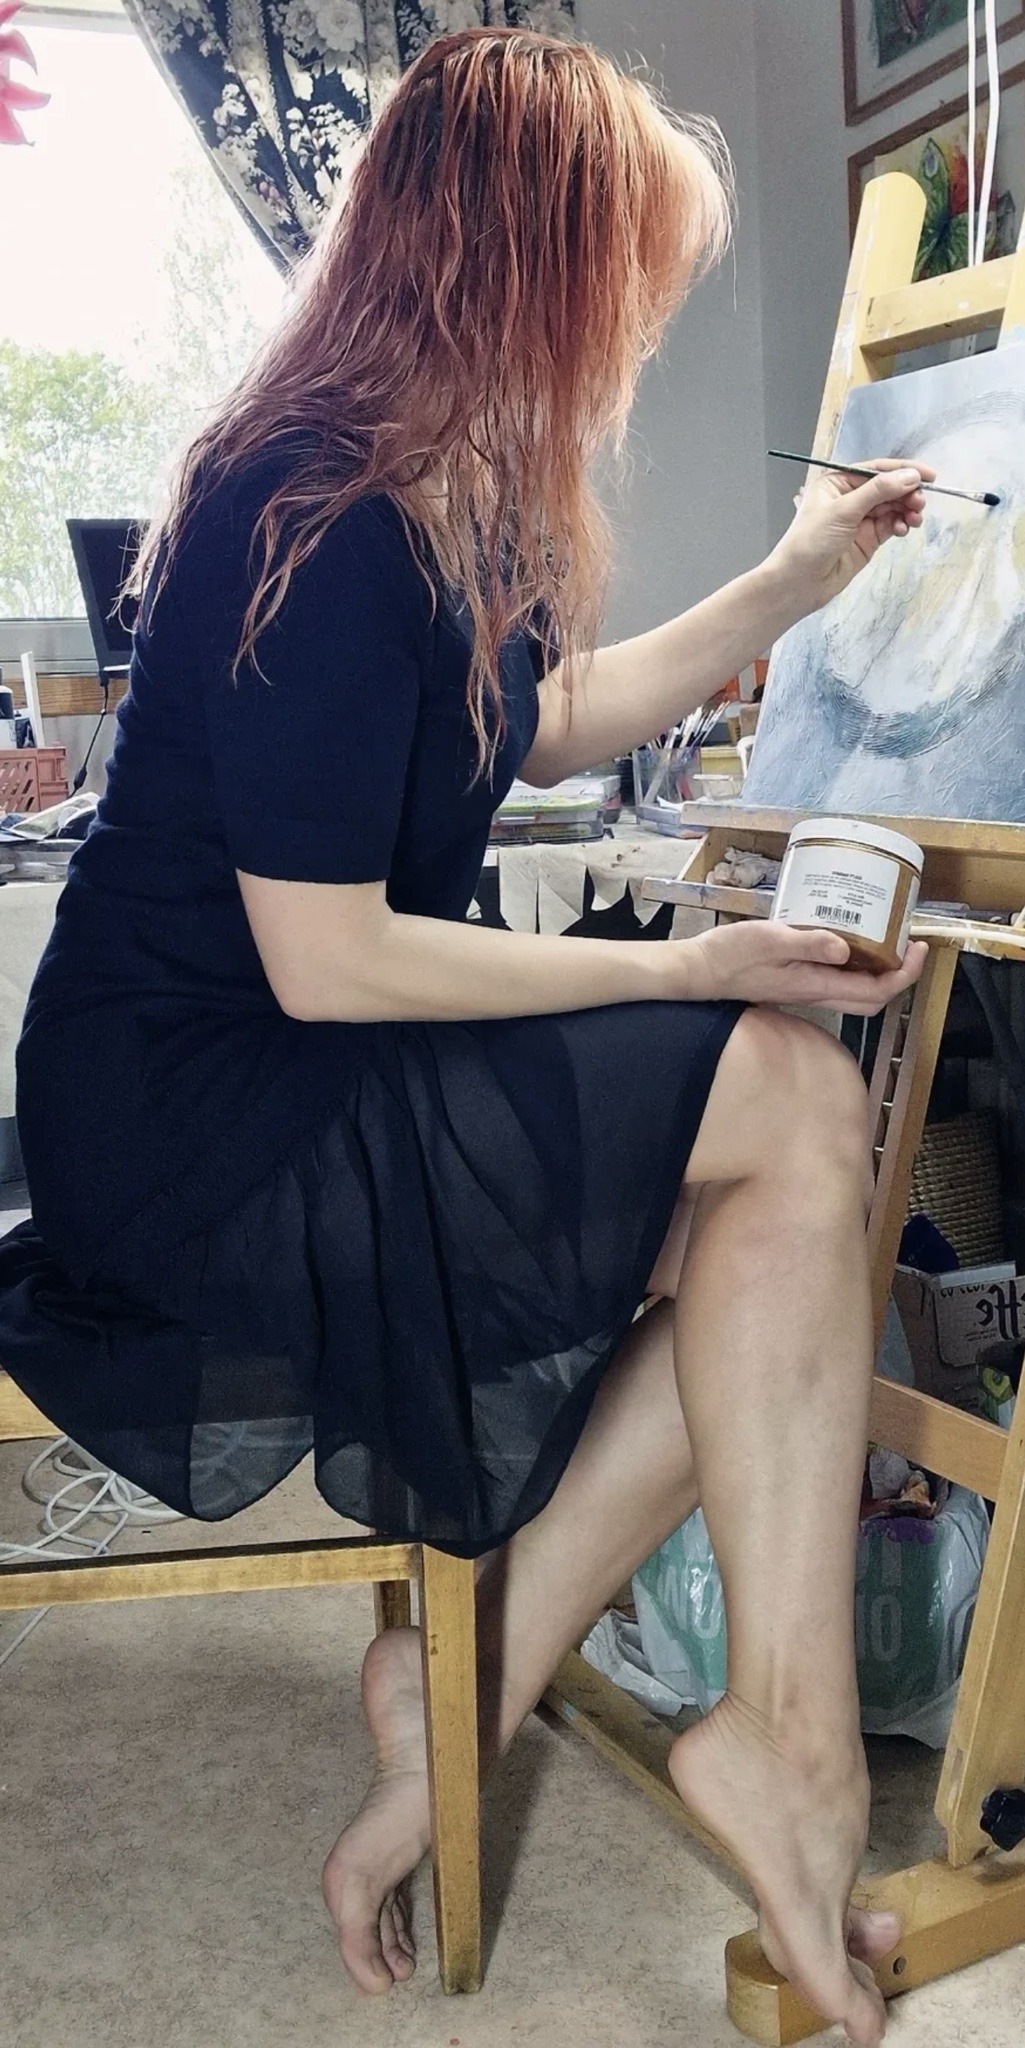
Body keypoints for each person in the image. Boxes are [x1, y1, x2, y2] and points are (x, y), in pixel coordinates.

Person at [0, 28, 931, 2047]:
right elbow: (330, 960)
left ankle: (518, 1682)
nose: (641, 323)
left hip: (294, 1062)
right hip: (195, 1117)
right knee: (781, 1096)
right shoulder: (312, 506)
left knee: (768, 1200)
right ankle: (759, 1743)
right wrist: (682, 973)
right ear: (523, 255)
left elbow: (548, 722)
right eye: (630, 271)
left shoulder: (439, 494)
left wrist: (797, 575)